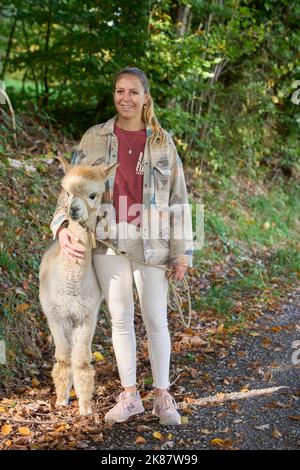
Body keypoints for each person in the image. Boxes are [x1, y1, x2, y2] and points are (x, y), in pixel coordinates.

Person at [50, 67, 193, 425]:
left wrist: (183, 251)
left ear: (146, 97)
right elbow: (70, 188)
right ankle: (130, 397)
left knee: (156, 320)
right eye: (119, 91)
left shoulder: (163, 141)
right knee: (120, 319)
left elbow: (179, 197)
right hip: (107, 240)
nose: (125, 98)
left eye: (133, 92)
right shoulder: (94, 138)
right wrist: (62, 226)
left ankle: (163, 397)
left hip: (153, 243)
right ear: (114, 94)